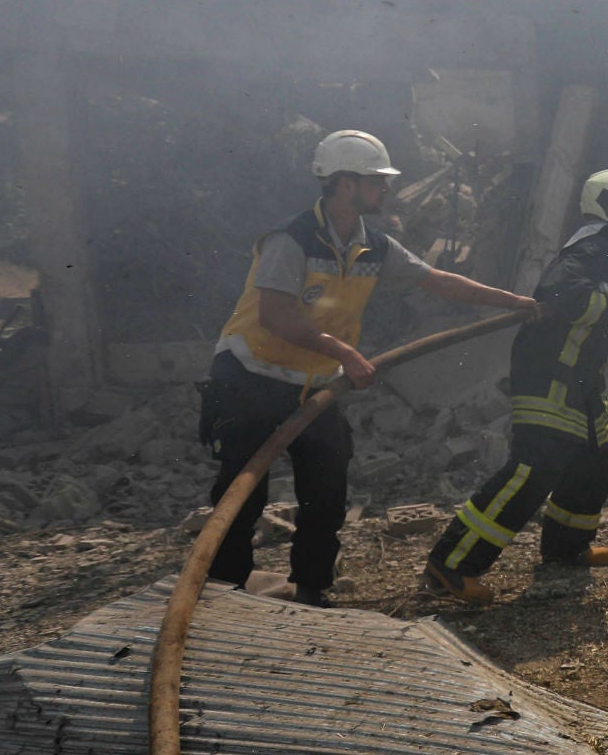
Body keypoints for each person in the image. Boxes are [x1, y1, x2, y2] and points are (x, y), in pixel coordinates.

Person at [201, 129, 537, 606]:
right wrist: (344, 353)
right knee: (241, 494)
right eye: (377, 180)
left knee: (326, 489)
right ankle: (225, 594)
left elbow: (439, 280)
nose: (386, 188)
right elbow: (275, 315)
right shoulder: (290, 239)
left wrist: (514, 303)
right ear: (345, 184)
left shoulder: (374, 246)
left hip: (314, 386)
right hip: (249, 378)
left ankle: (312, 592)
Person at [425, 168, 608, 601]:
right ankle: (452, 564)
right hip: (549, 374)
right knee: (533, 469)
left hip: (583, 378)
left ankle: (565, 548)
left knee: (595, 460)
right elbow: (567, 298)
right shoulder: (583, 254)